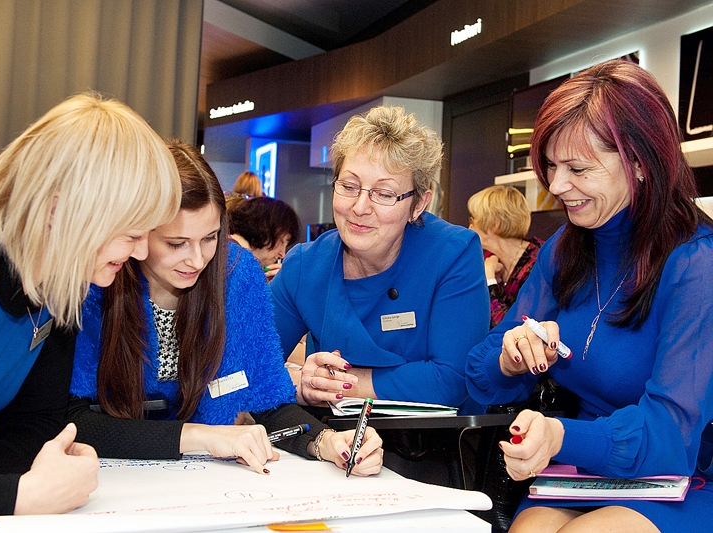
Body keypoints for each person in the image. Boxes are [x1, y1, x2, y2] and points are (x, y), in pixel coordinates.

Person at [0, 93, 183, 529]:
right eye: (132, 232)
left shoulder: (61, 281)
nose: (141, 251)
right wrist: (27, 495)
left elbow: (37, 423)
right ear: (61, 210)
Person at [466, 59, 713, 533]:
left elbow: (671, 436)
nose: (556, 186)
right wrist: (511, 358)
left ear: (640, 164)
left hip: (682, 479)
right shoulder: (566, 247)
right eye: (552, 166)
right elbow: (479, 373)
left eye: (578, 168)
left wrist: (559, 436)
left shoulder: (696, 264)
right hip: (586, 472)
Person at [67, 140, 383, 477]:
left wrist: (326, 442)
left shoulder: (236, 272)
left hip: (204, 480)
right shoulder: (100, 276)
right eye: (176, 244)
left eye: (210, 238)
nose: (197, 259)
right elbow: (71, 420)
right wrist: (199, 436)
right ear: (138, 233)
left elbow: (268, 401)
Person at [270, 105, 489, 411]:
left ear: (418, 205)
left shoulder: (452, 253)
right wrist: (299, 383)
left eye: (384, 194)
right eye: (349, 186)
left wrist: (340, 385)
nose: (360, 207)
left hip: (432, 447)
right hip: (333, 445)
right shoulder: (305, 265)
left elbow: (452, 379)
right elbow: (247, 364)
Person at [468, 185, 543, 328]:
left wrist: (489, 279)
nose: (469, 226)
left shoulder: (537, 264)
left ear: (494, 224)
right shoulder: (488, 258)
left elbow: (510, 328)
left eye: (473, 219)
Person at [228, 196, 300, 280]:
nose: (282, 254)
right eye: (282, 242)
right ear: (268, 229)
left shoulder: (230, 250)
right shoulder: (234, 261)